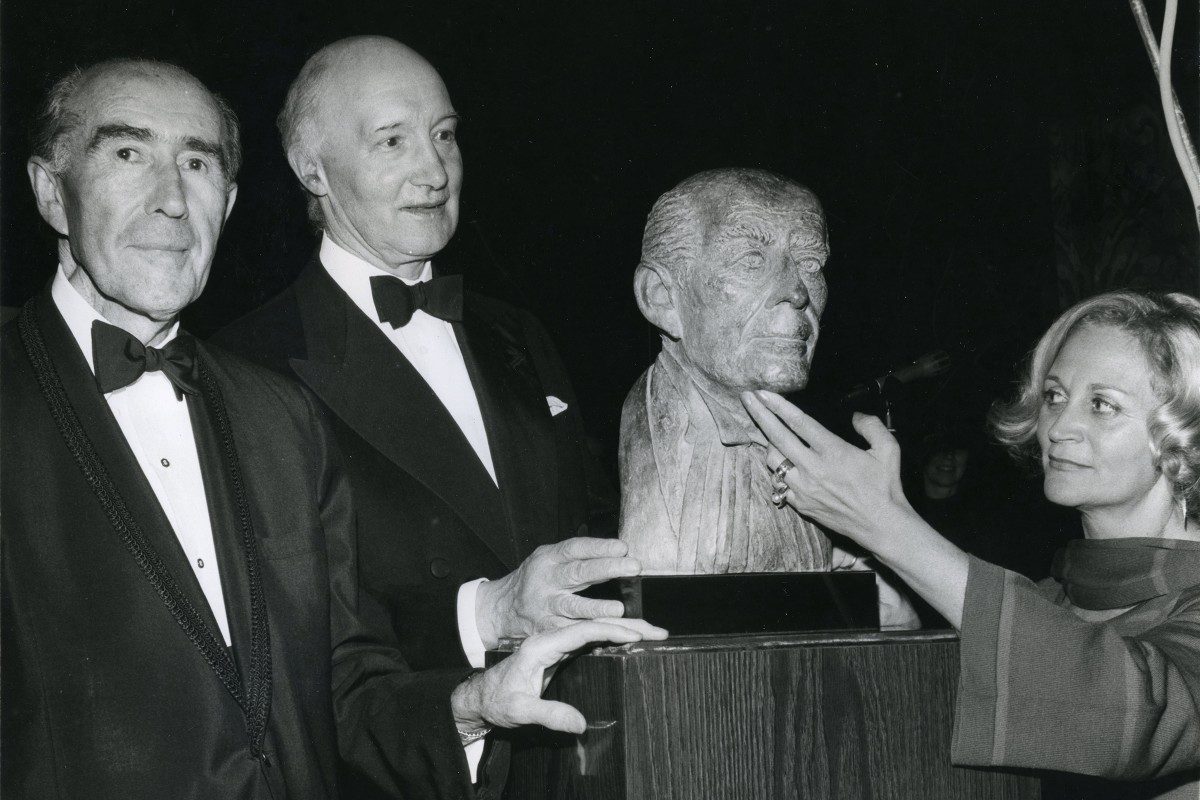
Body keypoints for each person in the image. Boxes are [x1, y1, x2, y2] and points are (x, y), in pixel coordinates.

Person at [0, 58, 664, 800]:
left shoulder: (275, 416)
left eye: (197, 163)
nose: (172, 201)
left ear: (231, 198)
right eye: (129, 155)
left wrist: (469, 707)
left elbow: (343, 681)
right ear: (51, 192)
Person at [743, 290, 1200, 799]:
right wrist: (910, 634)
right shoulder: (1055, 598)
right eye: (1054, 395)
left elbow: (1129, 718)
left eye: (1102, 405)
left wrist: (889, 528)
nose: (1059, 427)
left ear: (1187, 433)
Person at [619, 168, 833, 574]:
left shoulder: (794, 443)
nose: (798, 290)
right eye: (752, 260)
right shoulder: (662, 432)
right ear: (661, 297)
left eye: (810, 262)